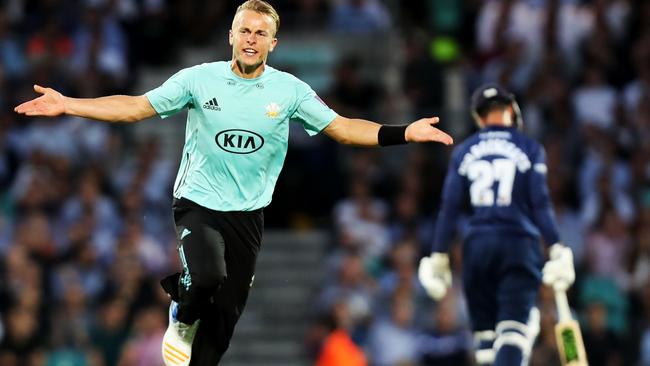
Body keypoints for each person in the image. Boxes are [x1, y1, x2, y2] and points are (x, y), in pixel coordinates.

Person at [14, 1, 453, 365]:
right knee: (205, 275)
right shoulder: (199, 79)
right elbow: (134, 107)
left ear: (273, 44)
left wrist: (403, 133)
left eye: (260, 33)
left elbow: (342, 128)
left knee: (221, 331)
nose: (250, 38)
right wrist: (69, 103)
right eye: (244, 30)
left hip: (248, 216)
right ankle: (181, 314)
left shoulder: (289, 91)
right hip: (197, 202)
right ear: (230, 35)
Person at [417, 84, 575, 365]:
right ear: (512, 112)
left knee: (487, 345)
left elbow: (449, 208)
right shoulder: (529, 148)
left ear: (479, 117)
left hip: (476, 248)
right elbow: (540, 203)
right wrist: (556, 247)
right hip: (518, 245)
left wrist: (438, 254)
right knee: (515, 335)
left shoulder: (464, 151)